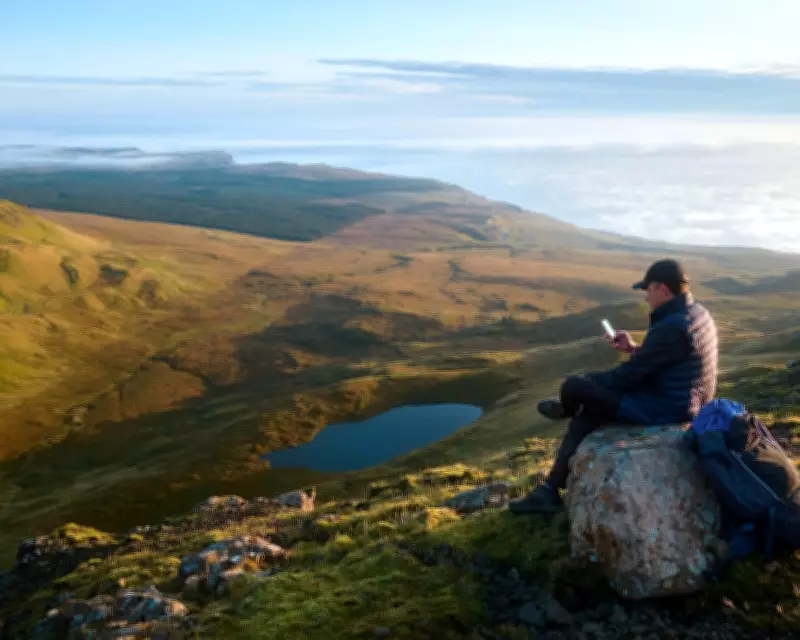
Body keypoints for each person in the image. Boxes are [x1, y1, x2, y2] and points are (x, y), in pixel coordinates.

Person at [509, 258, 718, 515]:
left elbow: (624, 377)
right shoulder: (696, 313)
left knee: (575, 386)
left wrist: (587, 383)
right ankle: (549, 491)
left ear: (663, 289)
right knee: (590, 412)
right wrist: (633, 348)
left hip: (666, 406)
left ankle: (566, 410)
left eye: (648, 289)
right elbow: (667, 358)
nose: (645, 296)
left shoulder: (672, 326)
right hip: (681, 399)